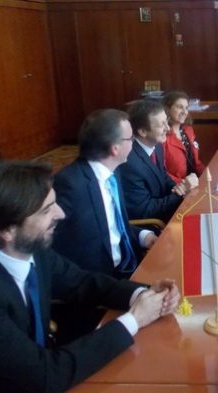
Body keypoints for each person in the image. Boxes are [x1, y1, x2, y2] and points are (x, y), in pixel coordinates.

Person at [0, 161, 180, 393]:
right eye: (47, 210)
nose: (61, 214)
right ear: (7, 230)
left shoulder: (26, 247)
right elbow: (45, 376)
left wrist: (144, 294)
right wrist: (134, 319)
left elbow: (82, 282)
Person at [52, 109, 156, 341]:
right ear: (115, 148)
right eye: (130, 138)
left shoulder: (111, 173)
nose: (134, 143)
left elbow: (112, 225)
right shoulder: (70, 184)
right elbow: (50, 248)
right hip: (97, 287)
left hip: (128, 267)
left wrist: (143, 236)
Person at [118, 99, 195, 223]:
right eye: (161, 125)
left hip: (164, 209)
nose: (168, 128)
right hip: (151, 224)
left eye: (167, 122)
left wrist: (180, 187)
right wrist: (179, 194)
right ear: (142, 131)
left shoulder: (157, 146)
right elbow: (144, 210)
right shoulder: (129, 163)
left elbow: (163, 177)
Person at [162, 91, 206, 184]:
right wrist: (184, 184)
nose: (184, 112)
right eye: (179, 107)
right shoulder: (162, 136)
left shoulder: (188, 130)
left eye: (186, 108)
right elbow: (162, 173)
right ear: (167, 109)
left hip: (195, 183)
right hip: (177, 187)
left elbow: (196, 163)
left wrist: (207, 177)